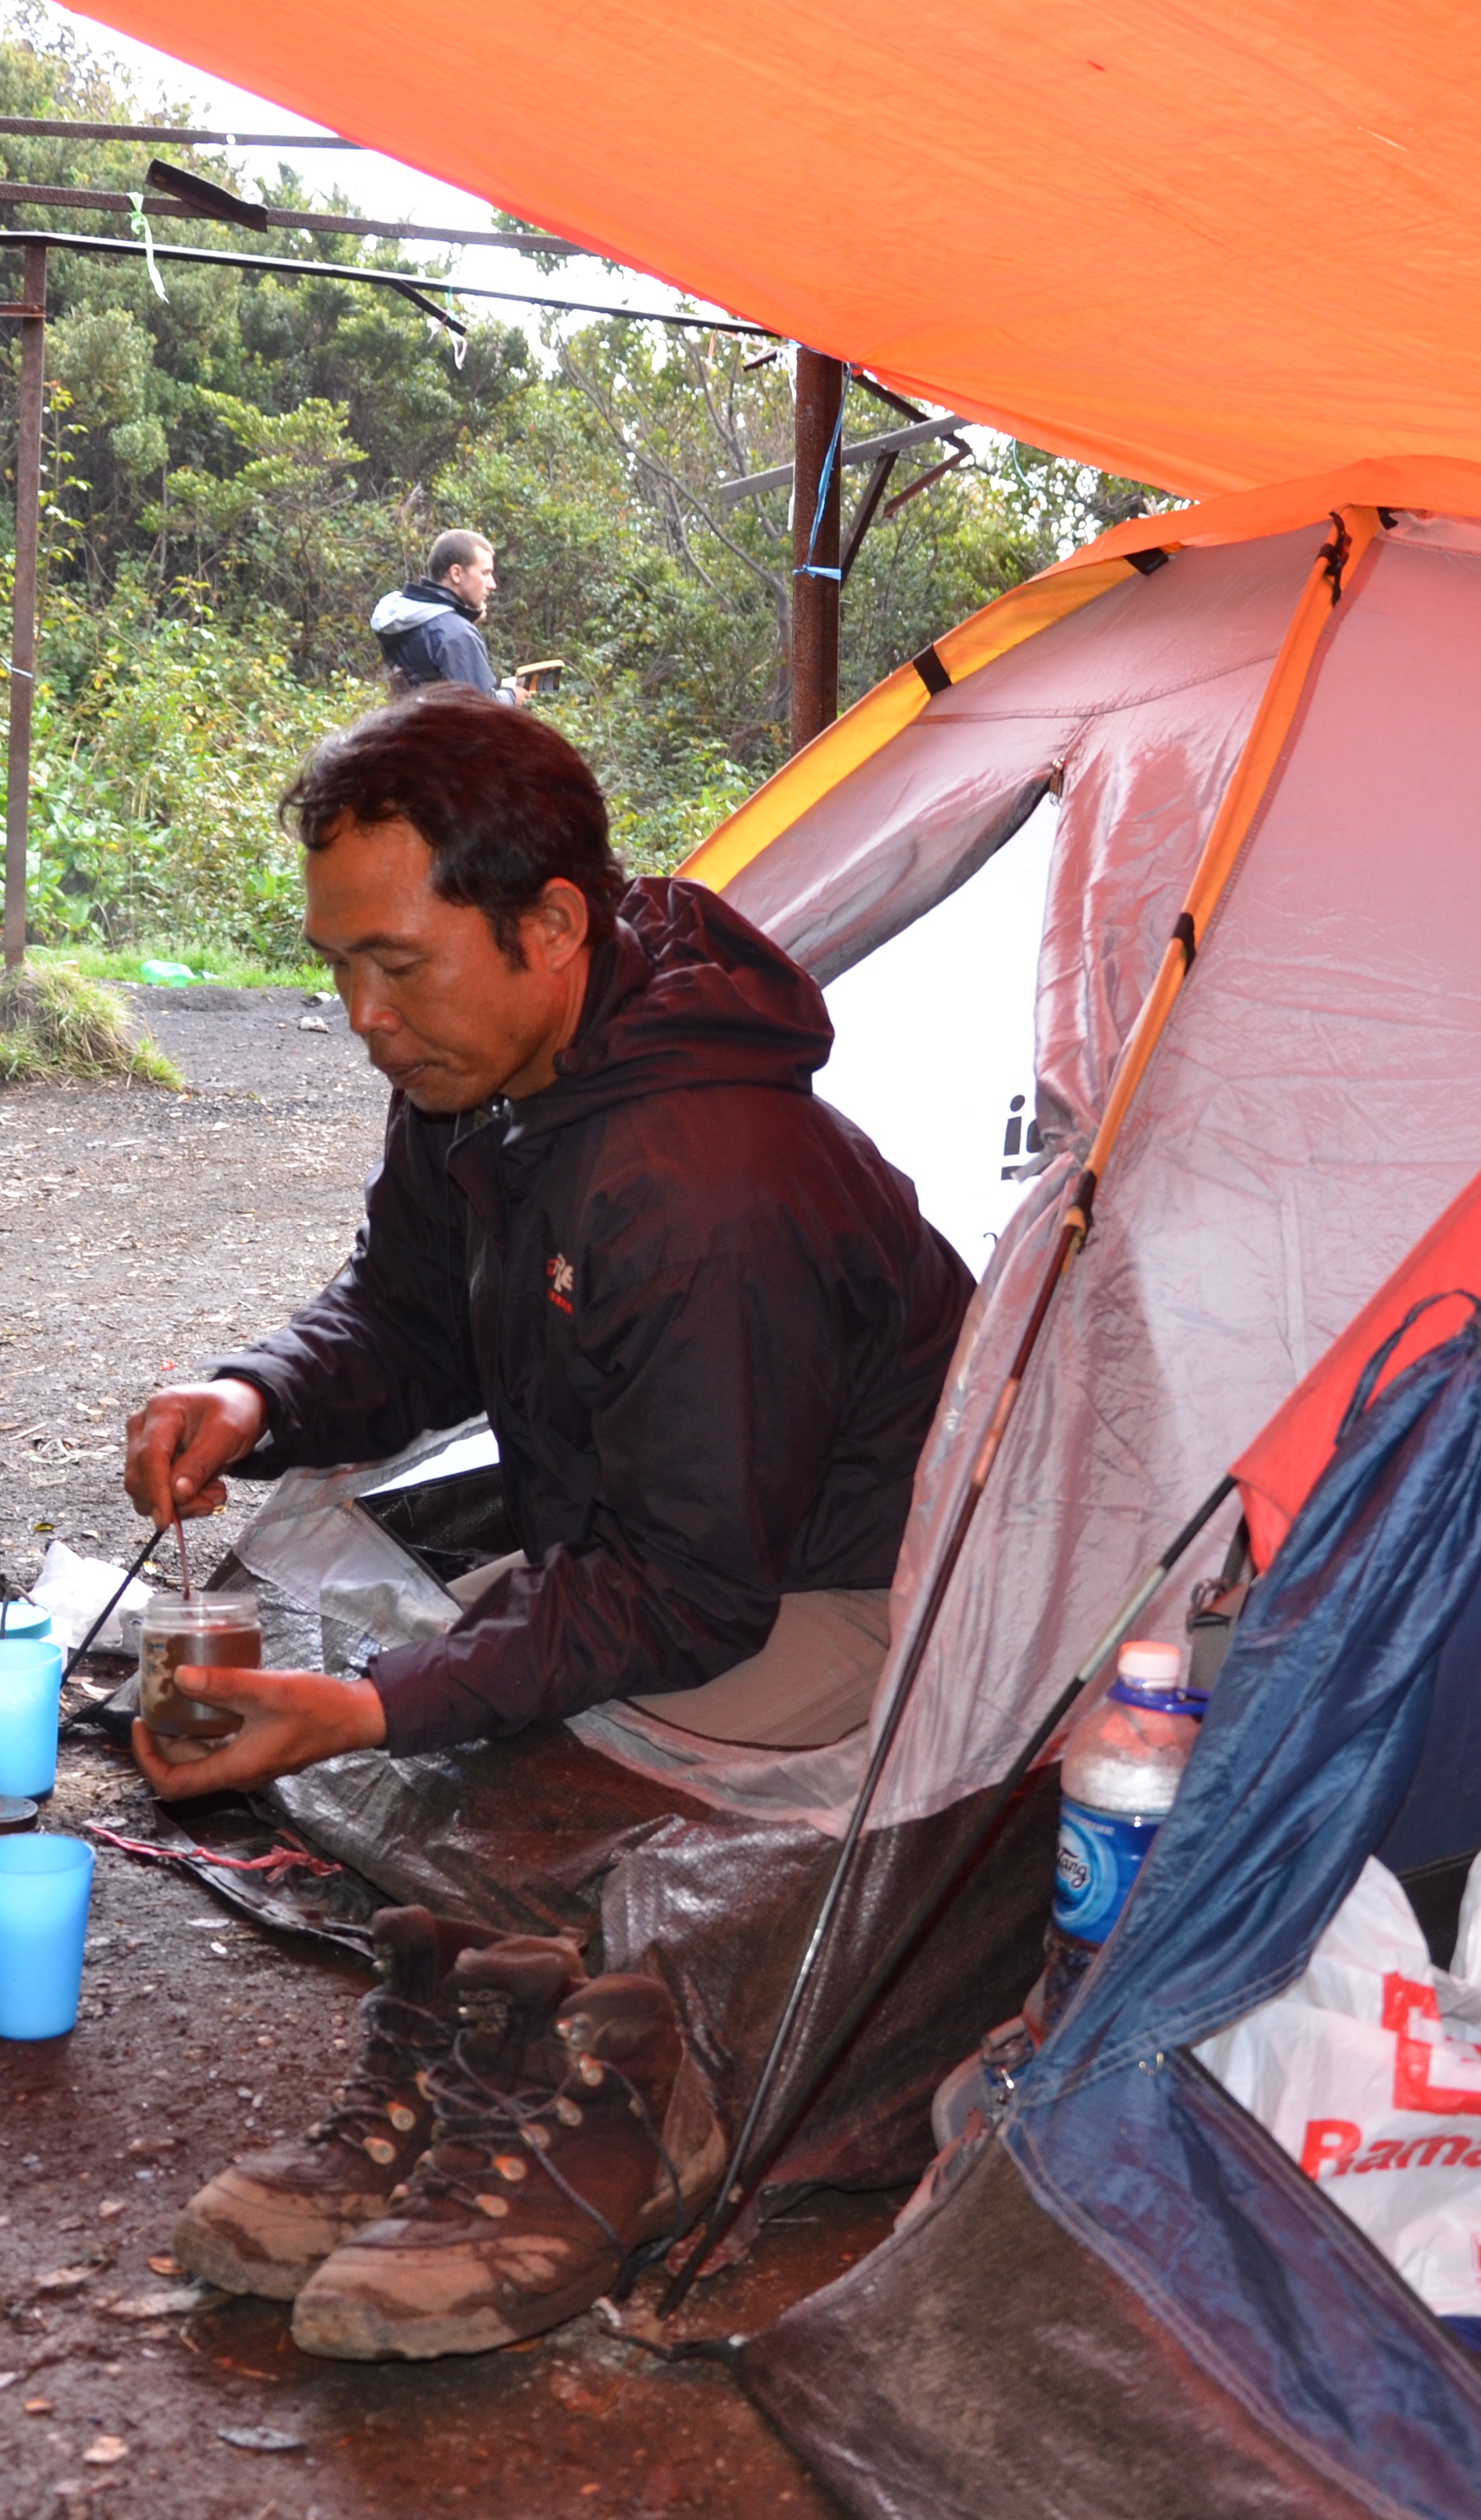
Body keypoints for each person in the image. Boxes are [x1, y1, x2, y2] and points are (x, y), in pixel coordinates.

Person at [127, 683, 970, 2355]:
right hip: (665, 1542)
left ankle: (609, 2104)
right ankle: (478, 2047)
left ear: (553, 925)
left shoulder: (702, 1185)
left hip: (865, 1592)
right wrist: (256, 1394)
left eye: (396, 962)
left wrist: (370, 1703)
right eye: (337, 966)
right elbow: (407, 1316)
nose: (364, 1017)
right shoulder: (482, 1076)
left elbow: (688, 1591)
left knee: (520, 1711)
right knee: (472, 1672)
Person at [367, 528, 510, 698]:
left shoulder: (401, 619)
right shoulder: (457, 634)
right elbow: (482, 708)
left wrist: (464, 619)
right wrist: (512, 696)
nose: (492, 584)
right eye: (485, 573)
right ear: (456, 574)